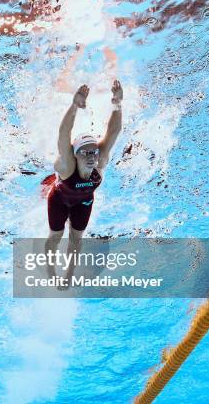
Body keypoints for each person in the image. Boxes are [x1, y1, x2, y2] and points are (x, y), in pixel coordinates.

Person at [43, 80, 123, 281]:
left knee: (76, 239)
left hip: (84, 201)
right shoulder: (67, 166)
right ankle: (51, 273)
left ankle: (68, 274)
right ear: (75, 154)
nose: (91, 156)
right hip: (59, 199)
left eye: (94, 151)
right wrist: (74, 106)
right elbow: (63, 135)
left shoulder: (100, 161)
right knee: (55, 236)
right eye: (85, 152)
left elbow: (113, 132)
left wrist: (117, 102)